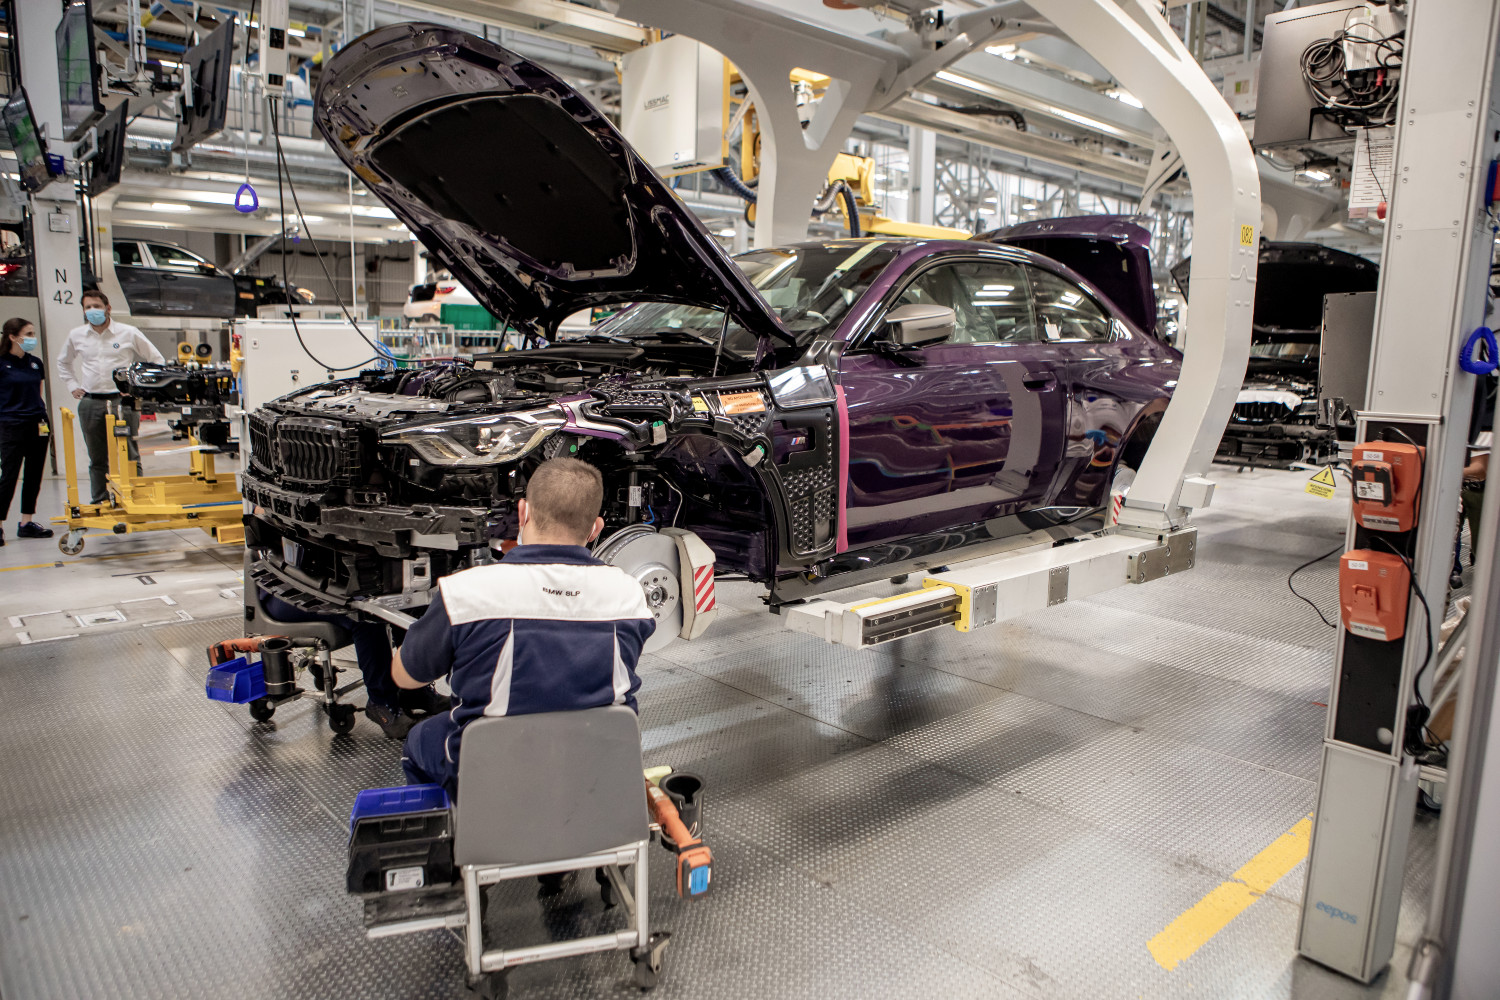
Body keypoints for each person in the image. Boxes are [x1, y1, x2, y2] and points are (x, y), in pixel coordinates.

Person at [392, 457, 655, 796]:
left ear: (522, 512)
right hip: (598, 769)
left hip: (490, 776)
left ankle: (459, 835)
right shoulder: (629, 596)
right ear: (596, 528)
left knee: (420, 740)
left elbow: (406, 678)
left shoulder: (465, 591)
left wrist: (404, 651)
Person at [256, 588, 448, 739]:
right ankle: (381, 702)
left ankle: (414, 686)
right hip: (283, 591)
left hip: (329, 585)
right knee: (365, 618)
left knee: (404, 603)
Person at [57, 290, 163, 504]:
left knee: (130, 454)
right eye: (87, 307)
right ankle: (100, 500)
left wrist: (138, 388)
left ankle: (136, 498)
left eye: (96, 306)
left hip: (122, 401)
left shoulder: (128, 332)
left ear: (108, 308)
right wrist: (72, 385)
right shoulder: (76, 335)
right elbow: (63, 362)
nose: (92, 311)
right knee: (97, 458)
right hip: (91, 402)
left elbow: (156, 359)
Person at [0, 318, 55, 545]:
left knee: (33, 475)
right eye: (28, 334)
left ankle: (26, 523)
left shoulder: (35, 363)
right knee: (9, 476)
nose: (32, 338)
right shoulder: (1, 363)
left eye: (33, 334)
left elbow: (37, 393)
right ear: (12, 337)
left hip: (38, 424)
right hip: (11, 425)